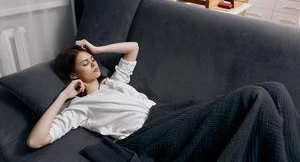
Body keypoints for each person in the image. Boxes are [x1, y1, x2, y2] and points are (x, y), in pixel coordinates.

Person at [27, 39, 300, 161]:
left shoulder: (114, 82)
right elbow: (36, 140)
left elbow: (133, 47)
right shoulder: (80, 108)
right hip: (149, 135)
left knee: (275, 89)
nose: (95, 64)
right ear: (74, 74)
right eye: (86, 63)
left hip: (167, 114)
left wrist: (96, 48)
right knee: (255, 98)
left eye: (93, 60)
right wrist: (65, 95)